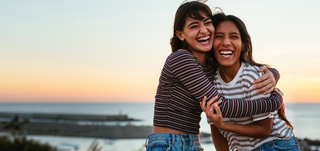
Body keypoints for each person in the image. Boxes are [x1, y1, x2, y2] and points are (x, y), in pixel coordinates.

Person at [145, 1, 283, 151]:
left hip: (192, 142)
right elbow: (221, 106)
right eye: (194, 26)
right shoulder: (181, 59)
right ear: (180, 34)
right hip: (168, 143)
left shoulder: (211, 66)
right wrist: (274, 101)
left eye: (207, 23)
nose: (203, 30)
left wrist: (273, 74)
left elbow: (244, 67)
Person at [201, 13, 301, 151]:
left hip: (275, 146)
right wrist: (219, 126)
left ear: (243, 45)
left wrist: (223, 125)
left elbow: (264, 130)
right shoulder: (211, 83)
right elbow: (217, 135)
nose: (226, 42)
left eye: (234, 36)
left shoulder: (252, 76)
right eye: (219, 36)